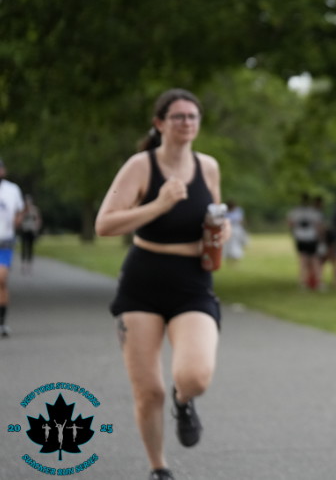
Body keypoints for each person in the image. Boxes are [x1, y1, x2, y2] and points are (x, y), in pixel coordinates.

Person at [95, 89, 230, 480]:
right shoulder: (140, 166)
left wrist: (220, 231)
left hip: (193, 282)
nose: (186, 122)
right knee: (148, 390)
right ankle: (159, 468)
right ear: (159, 123)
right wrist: (159, 204)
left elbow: (214, 216)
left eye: (192, 116)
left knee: (195, 377)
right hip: (143, 282)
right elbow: (104, 224)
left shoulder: (208, 167)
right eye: (178, 116)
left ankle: (183, 401)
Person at [0, 157, 25, 338]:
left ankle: (2, 323)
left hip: (5, 241)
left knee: (1, 279)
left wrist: (18, 220)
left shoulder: (12, 189)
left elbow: (20, 209)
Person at [286, 193, 324, 291]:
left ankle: (303, 283)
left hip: (300, 238)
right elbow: (318, 226)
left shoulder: (295, 211)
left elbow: (290, 223)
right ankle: (317, 282)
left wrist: (294, 232)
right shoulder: (313, 212)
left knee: (303, 261)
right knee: (314, 261)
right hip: (311, 238)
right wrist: (320, 239)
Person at [19, 194, 42, 275]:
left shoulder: (34, 209)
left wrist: (36, 228)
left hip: (31, 230)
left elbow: (37, 219)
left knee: (30, 247)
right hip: (24, 230)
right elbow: (19, 219)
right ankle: (23, 264)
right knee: (23, 247)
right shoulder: (22, 210)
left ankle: (29, 265)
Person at [222, 200, 248, 265]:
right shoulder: (225, 212)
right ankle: (230, 260)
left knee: (235, 245)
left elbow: (241, 220)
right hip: (229, 230)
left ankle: (234, 259)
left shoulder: (238, 210)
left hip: (236, 230)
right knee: (228, 246)